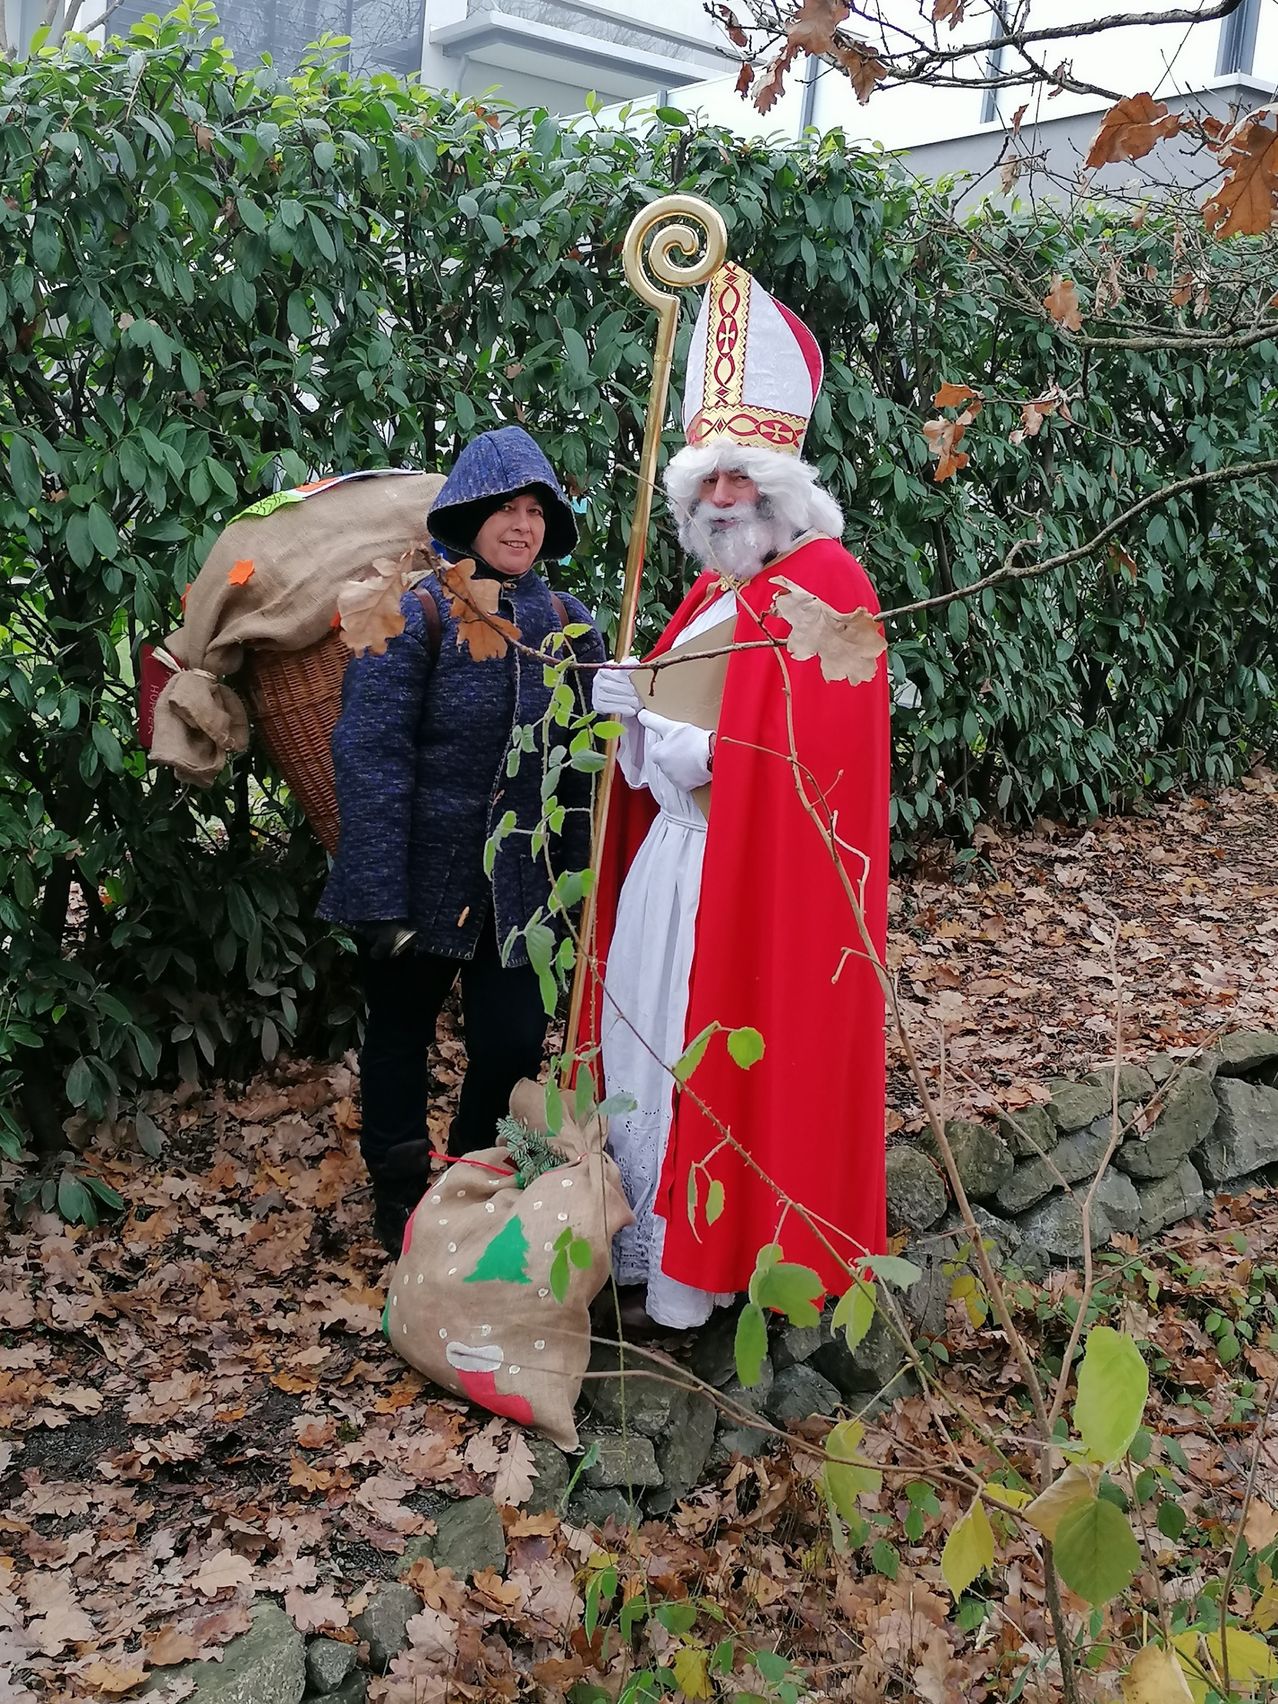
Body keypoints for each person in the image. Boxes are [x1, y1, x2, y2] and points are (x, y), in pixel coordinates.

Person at [588, 263, 890, 1330]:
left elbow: (772, 763)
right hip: (672, 870)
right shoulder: (712, 594)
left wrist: (658, 728)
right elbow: (672, 742)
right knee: (646, 1049)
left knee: (708, 1063)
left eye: (739, 480)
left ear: (781, 484)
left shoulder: (827, 592)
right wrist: (628, 711)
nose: (722, 501)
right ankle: (631, 1245)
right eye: (705, 483)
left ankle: (702, 1275)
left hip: (749, 883)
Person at [319, 426, 605, 1254]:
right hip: (421, 878)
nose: (522, 525)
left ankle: (470, 1174)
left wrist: (579, 884)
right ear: (471, 516)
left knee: (513, 1040)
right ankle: (401, 1194)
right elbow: (370, 755)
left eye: (534, 511)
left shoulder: (569, 623)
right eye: (505, 510)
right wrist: (376, 897)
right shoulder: (417, 612)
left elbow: (585, 768)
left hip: (522, 884)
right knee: (400, 1034)